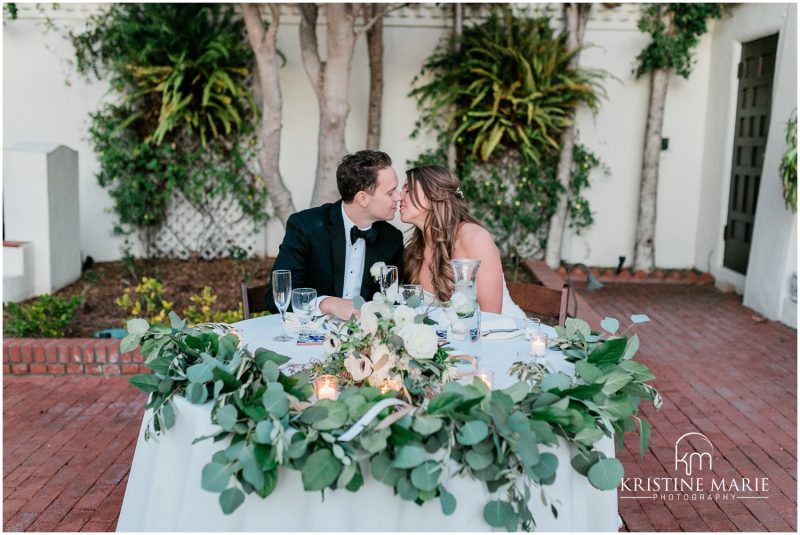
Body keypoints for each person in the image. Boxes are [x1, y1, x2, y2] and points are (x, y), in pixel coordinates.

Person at [266, 150, 404, 320]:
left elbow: (392, 300)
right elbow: (276, 298)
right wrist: (327, 303)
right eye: (390, 193)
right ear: (362, 198)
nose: (398, 197)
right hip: (311, 329)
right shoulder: (306, 227)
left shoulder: (392, 238)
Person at [400, 165, 525, 318]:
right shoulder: (414, 250)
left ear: (433, 195)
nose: (399, 196)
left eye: (408, 190)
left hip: (501, 330)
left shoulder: (475, 239)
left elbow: (491, 317)